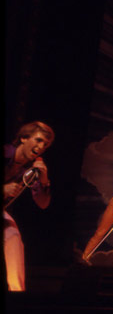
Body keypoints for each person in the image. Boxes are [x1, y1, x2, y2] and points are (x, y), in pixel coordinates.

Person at [4, 121, 54, 291]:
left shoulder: (30, 171)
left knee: (12, 236)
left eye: (45, 144)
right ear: (24, 138)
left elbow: (43, 203)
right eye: (38, 140)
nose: (41, 147)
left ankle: (16, 293)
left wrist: (44, 179)